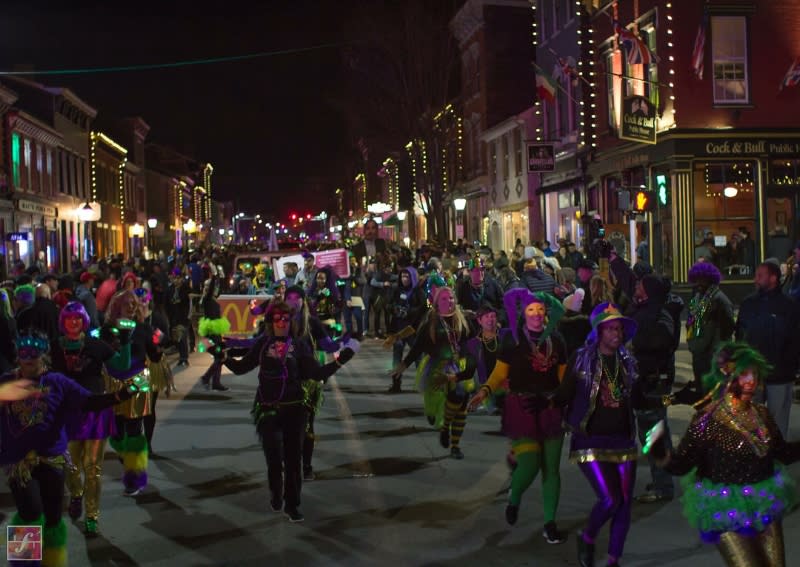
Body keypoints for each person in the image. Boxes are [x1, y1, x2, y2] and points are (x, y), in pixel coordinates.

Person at [0, 330, 143, 565]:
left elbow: (88, 401)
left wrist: (121, 395)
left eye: (33, 354)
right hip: (19, 463)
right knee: (30, 512)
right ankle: (24, 563)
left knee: (54, 516)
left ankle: (52, 561)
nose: (28, 359)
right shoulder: (7, 381)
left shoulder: (57, 382)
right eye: (23, 354)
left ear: (43, 356)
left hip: (52, 459)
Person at [652, 342, 800, 567]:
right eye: (744, 374)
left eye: (754, 374)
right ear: (727, 374)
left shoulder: (762, 414)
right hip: (726, 511)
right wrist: (660, 452)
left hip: (763, 504)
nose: (751, 381)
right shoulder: (708, 421)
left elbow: (783, 453)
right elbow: (682, 464)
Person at [223, 301, 356, 522]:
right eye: (277, 319)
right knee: (274, 458)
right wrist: (222, 357)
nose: (282, 323)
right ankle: (276, 492)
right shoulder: (263, 344)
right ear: (269, 322)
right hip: (268, 409)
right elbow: (241, 367)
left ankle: (292, 504)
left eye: (286, 319)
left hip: (295, 410)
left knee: (293, 460)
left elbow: (315, 373)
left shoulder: (300, 345)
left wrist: (340, 361)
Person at [469, 289, 567, 541]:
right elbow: (500, 373)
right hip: (521, 408)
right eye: (531, 310)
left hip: (549, 407)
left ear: (546, 312)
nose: (536, 314)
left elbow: (564, 379)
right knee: (531, 464)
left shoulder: (557, 340)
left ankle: (549, 524)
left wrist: (565, 400)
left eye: (540, 309)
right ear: (523, 313)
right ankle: (514, 498)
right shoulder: (513, 340)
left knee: (552, 469)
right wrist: (484, 391)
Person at [556, 303, 643, 567]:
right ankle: (588, 536)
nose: (616, 334)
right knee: (610, 499)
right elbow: (564, 394)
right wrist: (545, 402)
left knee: (624, 504)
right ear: (599, 332)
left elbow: (639, 399)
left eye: (619, 329)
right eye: (610, 329)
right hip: (590, 439)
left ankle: (613, 558)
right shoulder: (582, 358)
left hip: (623, 440)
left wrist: (671, 398)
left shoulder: (628, 362)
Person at [391, 287, 473, 441]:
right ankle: (431, 412)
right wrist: (403, 365)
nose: (448, 301)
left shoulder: (461, 320)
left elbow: (469, 341)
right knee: (433, 395)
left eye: (450, 298)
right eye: (443, 299)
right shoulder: (430, 323)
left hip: (456, 364)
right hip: (436, 364)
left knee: (449, 396)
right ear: (436, 303)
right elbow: (417, 348)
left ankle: (442, 421)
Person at [626, 275, 677, 503]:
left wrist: (635, 342)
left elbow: (664, 340)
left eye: (639, 284)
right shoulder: (644, 309)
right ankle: (661, 480)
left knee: (654, 434)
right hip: (643, 381)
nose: (636, 286)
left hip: (653, 383)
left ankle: (663, 485)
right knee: (652, 433)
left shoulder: (660, 312)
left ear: (648, 290)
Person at [735, 261, 800, 437]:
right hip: (752, 373)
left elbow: (795, 340)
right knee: (749, 420)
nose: (755, 279)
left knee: (777, 424)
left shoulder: (788, 306)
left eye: (760, 275)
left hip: (780, 374)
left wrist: (791, 367)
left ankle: (776, 459)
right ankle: (754, 458)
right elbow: (739, 334)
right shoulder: (748, 304)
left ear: (773, 278)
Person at [685, 262, 735, 393]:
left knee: (714, 395)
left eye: (703, 280)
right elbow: (690, 322)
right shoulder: (696, 298)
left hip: (714, 356)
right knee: (701, 393)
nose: (699, 283)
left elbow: (728, 327)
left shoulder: (720, 299)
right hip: (699, 354)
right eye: (696, 280)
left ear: (711, 280)